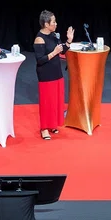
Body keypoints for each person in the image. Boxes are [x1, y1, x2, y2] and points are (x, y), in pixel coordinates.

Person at [34, 9, 71, 140]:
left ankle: (53, 124)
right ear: (46, 24)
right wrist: (54, 52)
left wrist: (68, 42)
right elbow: (40, 60)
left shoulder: (54, 35)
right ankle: (44, 128)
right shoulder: (39, 39)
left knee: (56, 101)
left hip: (57, 73)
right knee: (46, 102)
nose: (56, 24)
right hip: (46, 75)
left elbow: (62, 50)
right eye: (53, 22)